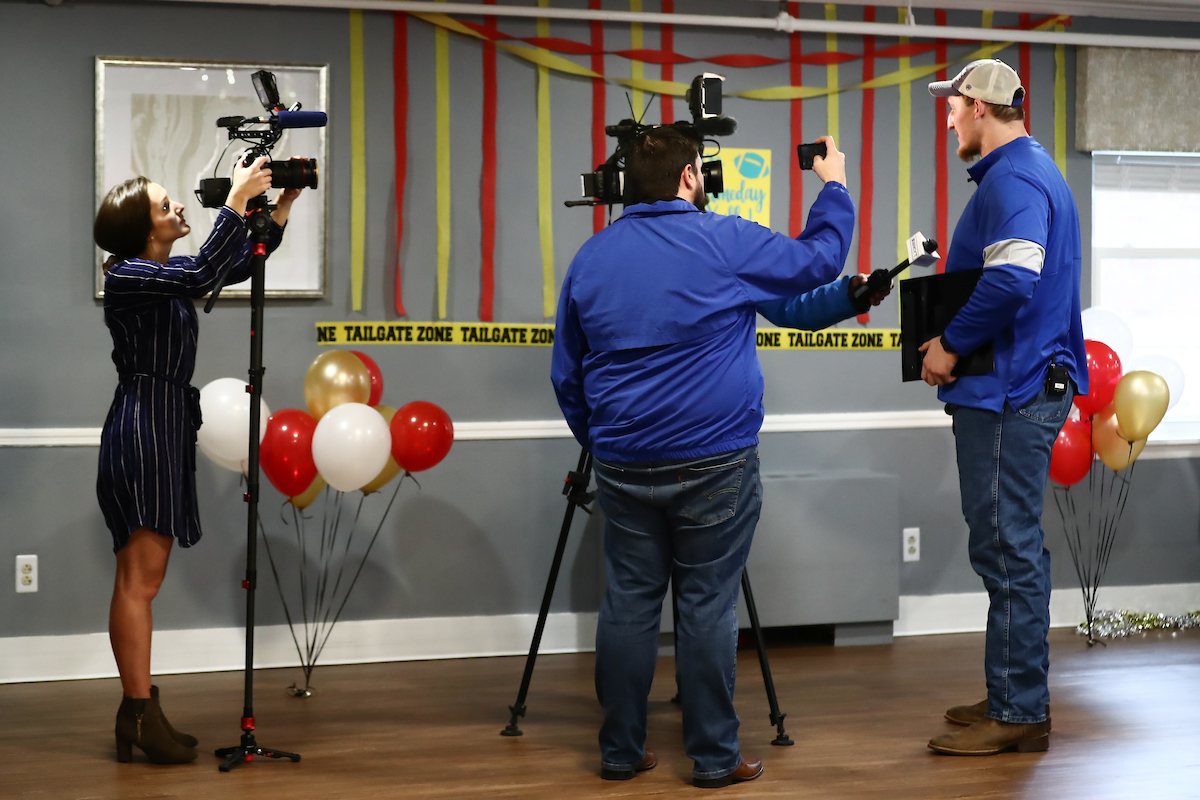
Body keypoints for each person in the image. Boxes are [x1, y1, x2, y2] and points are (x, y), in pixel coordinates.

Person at [551, 126, 876, 788]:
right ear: (691, 178)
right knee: (705, 607)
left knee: (629, 604)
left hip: (622, 462)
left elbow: (566, 373)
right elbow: (819, 259)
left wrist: (602, 440)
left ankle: (620, 752)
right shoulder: (724, 240)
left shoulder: (591, 258)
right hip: (714, 463)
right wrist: (834, 184)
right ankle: (713, 759)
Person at [93, 156, 301, 764]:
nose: (178, 207)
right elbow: (209, 265)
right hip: (143, 427)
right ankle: (137, 713)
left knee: (141, 581)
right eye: (164, 207)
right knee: (140, 581)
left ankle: (139, 711)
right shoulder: (129, 274)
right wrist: (235, 198)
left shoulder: (159, 272)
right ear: (141, 229)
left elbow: (226, 268)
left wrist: (278, 211)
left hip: (160, 422)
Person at [920, 59, 1087, 756]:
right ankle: (1010, 691)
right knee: (1005, 544)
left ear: (980, 108)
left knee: (1008, 548)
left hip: (1008, 394)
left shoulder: (1014, 177)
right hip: (1016, 388)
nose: (949, 118)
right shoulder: (1026, 170)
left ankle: (1019, 711)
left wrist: (951, 345)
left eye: (953, 107)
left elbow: (1015, 277)